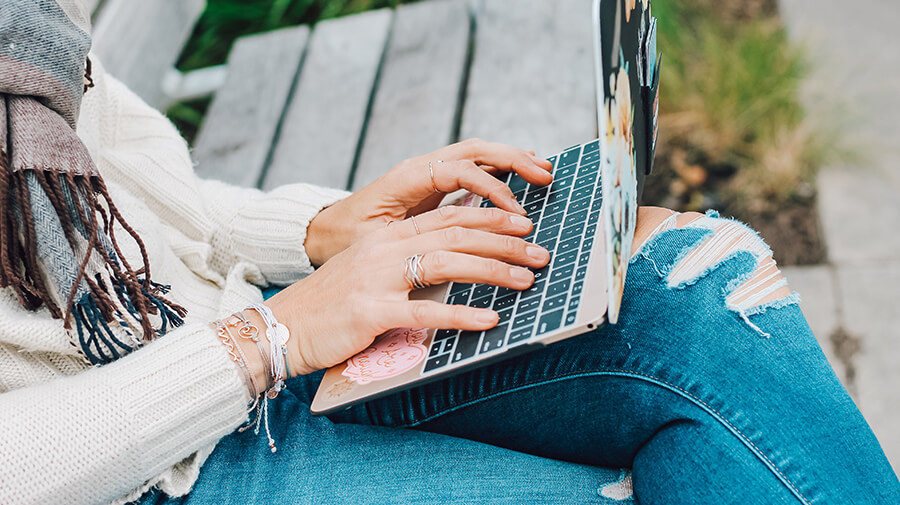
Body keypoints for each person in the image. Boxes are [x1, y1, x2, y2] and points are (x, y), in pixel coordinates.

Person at [1, 3, 898, 505]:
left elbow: (134, 203)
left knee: (704, 283)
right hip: (150, 468)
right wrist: (268, 337)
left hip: (240, 345)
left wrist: (320, 233)